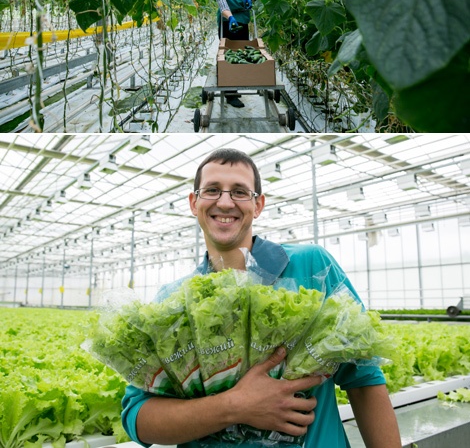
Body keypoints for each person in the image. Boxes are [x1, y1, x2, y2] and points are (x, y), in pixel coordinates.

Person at [122, 148, 402, 448]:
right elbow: (138, 418)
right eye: (212, 190)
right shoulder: (173, 300)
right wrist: (234, 405)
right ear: (194, 202)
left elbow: (363, 381)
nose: (225, 201)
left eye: (240, 192)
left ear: (258, 205)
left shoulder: (311, 267)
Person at [211, 0, 259, 108]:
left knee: (241, 52)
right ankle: (230, 94)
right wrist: (230, 18)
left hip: (243, 18)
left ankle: (235, 85)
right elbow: (223, 6)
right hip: (227, 21)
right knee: (228, 53)